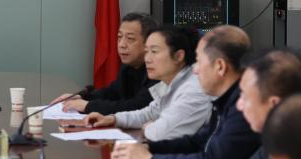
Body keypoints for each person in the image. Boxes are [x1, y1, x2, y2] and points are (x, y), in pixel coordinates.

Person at [110, 25, 260, 159]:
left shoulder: (245, 105)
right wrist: (149, 148)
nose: (195, 70)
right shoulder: (226, 98)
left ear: (220, 67)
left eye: (199, 62)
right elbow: (197, 142)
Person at [78, 26, 211, 141]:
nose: (147, 59)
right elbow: (148, 114)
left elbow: (161, 133)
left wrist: (149, 127)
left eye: (154, 51)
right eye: (146, 51)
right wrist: (113, 119)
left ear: (178, 56)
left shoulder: (195, 89)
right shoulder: (170, 83)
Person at [59, 13, 157, 114]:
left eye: (130, 38)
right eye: (119, 37)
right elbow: (112, 92)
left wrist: (89, 106)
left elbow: (137, 107)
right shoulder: (127, 66)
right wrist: (83, 97)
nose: (121, 44)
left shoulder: (159, 71)